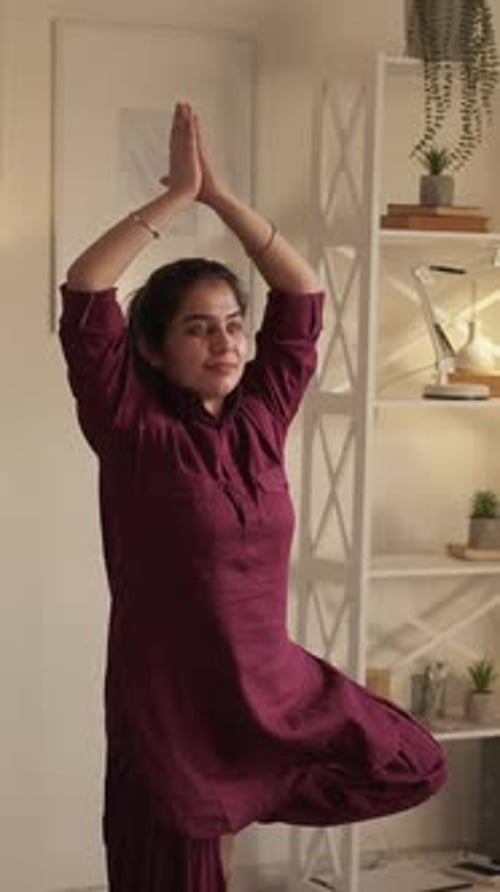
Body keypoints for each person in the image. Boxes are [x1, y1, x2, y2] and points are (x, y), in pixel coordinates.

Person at [59, 102, 446, 892]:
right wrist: (173, 199)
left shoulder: (261, 419)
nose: (228, 343)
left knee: (414, 761)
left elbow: (301, 301)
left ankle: (252, 786)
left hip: (270, 697)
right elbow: (87, 287)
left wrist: (221, 198)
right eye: (199, 329)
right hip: (171, 709)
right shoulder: (133, 430)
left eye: (234, 325)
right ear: (154, 351)